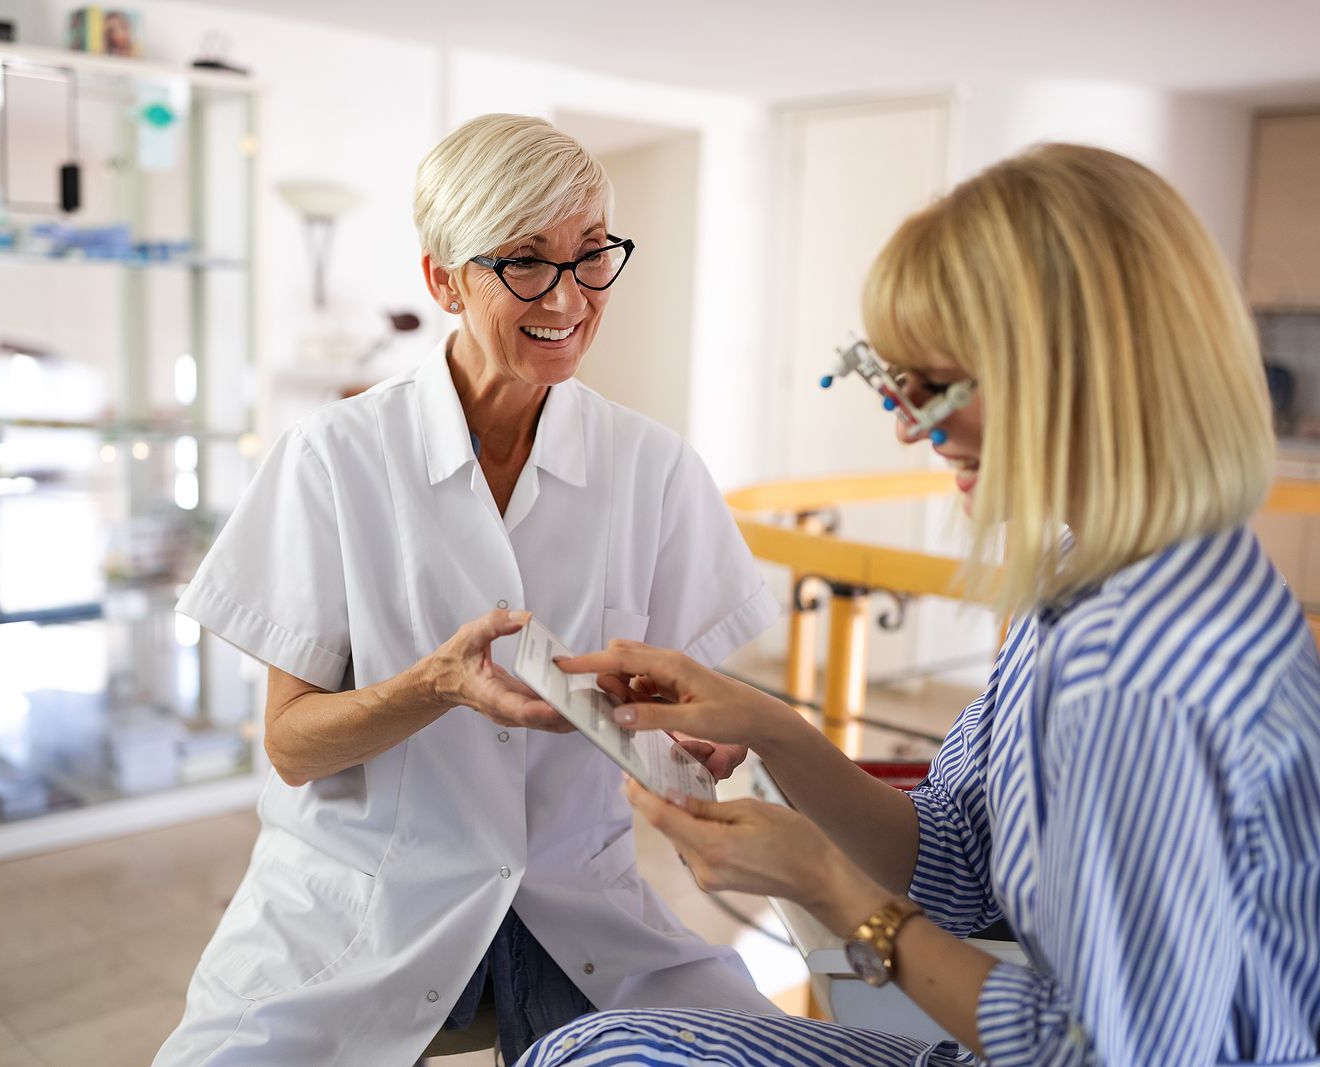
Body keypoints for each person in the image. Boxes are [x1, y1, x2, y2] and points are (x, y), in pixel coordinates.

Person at [521, 143, 1320, 1066]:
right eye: (892, 381)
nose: (908, 423)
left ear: (1082, 371)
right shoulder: (1080, 581)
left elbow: (1103, 1051)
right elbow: (957, 863)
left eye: (936, 386)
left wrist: (827, 885)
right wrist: (777, 729)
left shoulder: (1141, 667)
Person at [152, 113, 784, 1066]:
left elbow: (699, 703)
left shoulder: (652, 469)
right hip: (364, 897)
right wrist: (432, 686)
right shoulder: (336, 459)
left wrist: (703, 733)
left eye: (589, 255)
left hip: (580, 894)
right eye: (526, 261)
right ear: (442, 278)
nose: (569, 297)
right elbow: (291, 748)